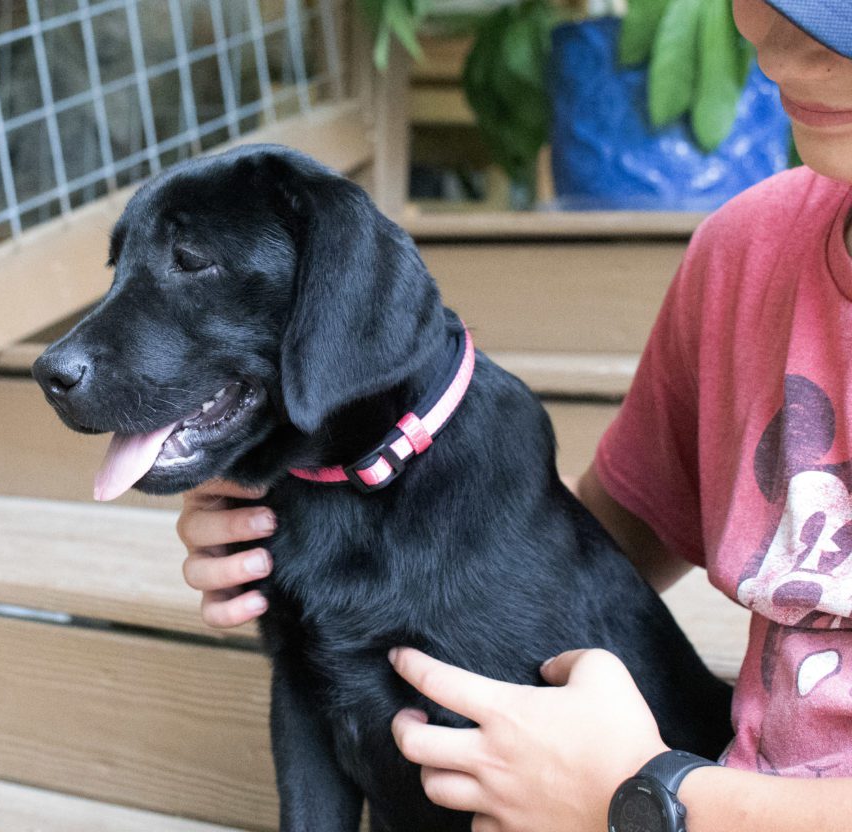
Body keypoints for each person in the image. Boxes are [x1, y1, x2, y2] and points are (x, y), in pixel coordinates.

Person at [176, 1, 852, 828]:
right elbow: (575, 552)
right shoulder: (748, 253)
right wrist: (314, 510)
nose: (775, 41)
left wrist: (651, 797)